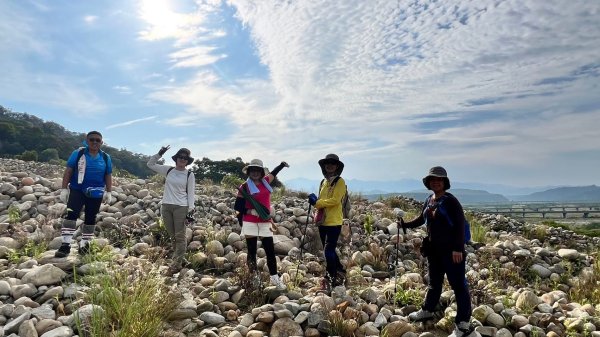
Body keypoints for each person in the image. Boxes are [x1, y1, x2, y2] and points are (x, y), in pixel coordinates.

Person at [403, 166, 475, 337]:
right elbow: (421, 219)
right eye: (432, 179)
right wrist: (404, 225)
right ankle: (428, 309)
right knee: (434, 283)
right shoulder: (430, 200)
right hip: (434, 251)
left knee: (459, 286)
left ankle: (463, 325)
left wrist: (458, 249)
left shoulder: (451, 201)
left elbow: (459, 226)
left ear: (444, 182)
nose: (435, 182)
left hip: (452, 252)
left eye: (439, 179)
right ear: (429, 183)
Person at [55, 131, 113, 257]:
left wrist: (109, 191)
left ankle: (85, 245)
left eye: (98, 140)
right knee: (71, 215)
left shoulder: (105, 157)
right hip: (77, 190)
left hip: (96, 192)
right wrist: (64, 189)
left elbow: (108, 174)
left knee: (91, 218)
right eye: (92, 139)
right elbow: (69, 170)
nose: (95, 142)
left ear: (102, 142)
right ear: (87, 141)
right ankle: (65, 245)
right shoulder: (78, 153)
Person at [233, 159, 289, 290]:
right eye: (252, 170)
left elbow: (274, 173)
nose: (255, 173)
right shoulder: (244, 187)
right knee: (252, 251)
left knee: (270, 250)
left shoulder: (266, 181)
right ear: (249, 172)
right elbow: (237, 206)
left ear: (261, 172)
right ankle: (254, 278)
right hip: (250, 221)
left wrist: (281, 165)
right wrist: (251, 211)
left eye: (258, 170)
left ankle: (275, 278)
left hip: (265, 222)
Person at [147, 146, 196, 276]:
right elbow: (150, 164)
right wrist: (160, 153)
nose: (183, 159)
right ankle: (181, 258)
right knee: (172, 236)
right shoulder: (168, 170)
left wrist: (190, 212)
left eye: (185, 158)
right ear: (176, 158)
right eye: (181, 157)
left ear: (188, 161)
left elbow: (191, 194)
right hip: (166, 206)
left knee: (180, 237)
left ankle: (176, 265)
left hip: (181, 207)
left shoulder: (189, 175)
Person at [308, 153, 348, 293]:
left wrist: (317, 202)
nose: (329, 165)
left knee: (328, 250)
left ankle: (330, 277)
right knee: (329, 249)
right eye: (327, 163)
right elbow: (322, 201)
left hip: (334, 222)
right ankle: (340, 271)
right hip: (323, 221)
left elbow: (336, 200)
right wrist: (315, 204)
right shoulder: (323, 182)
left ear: (337, 166)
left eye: (332, 163)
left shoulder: (340, 182)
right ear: (324, 166)